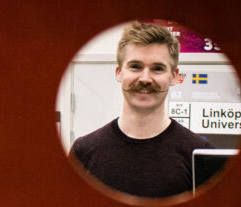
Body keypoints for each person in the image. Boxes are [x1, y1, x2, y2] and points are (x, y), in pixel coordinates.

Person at [70, 21, 213, 198]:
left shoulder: (198, 154)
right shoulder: (84, 151)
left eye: (157, 68)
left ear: (174, 76)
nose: (145, 78)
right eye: (135, 66)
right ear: (119, 72)